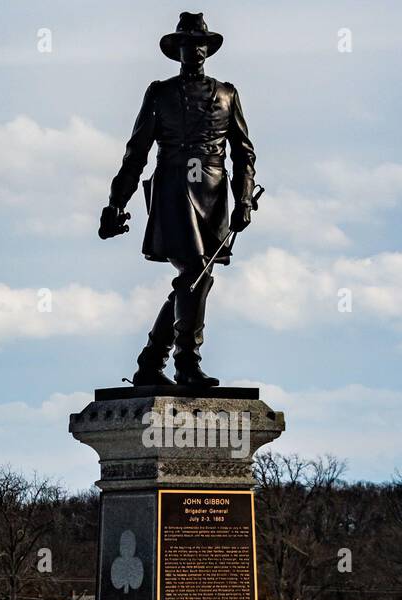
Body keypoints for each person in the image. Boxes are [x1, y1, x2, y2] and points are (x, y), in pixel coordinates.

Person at [98, 13, 257, 388]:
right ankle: (186, 361)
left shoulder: (227, 94)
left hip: (214, 191)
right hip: (173, 188)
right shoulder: (160, 93)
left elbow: (244, 153)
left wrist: (244, 199)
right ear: (178, 50)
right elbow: (135, 152)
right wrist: (115, 204)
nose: (194, 49)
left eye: (199, 42)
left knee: (196, 279)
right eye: (187, 43)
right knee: (194, 274)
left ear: (208, 48)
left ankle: (151, 362)